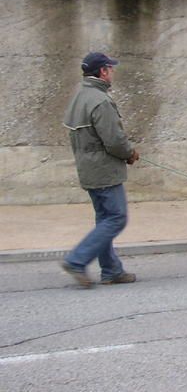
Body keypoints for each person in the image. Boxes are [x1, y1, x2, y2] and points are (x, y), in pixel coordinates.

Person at [61, 52, 140, 287]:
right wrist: (129, 153)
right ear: (103, 71)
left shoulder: (80, 97)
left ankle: (111, 271)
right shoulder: (101, 100)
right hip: (104, 170)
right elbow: (114, 140)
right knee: (117, 218)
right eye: (110, 68)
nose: (113, 72)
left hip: (88, 169)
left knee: (105, 219)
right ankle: (77, 260)